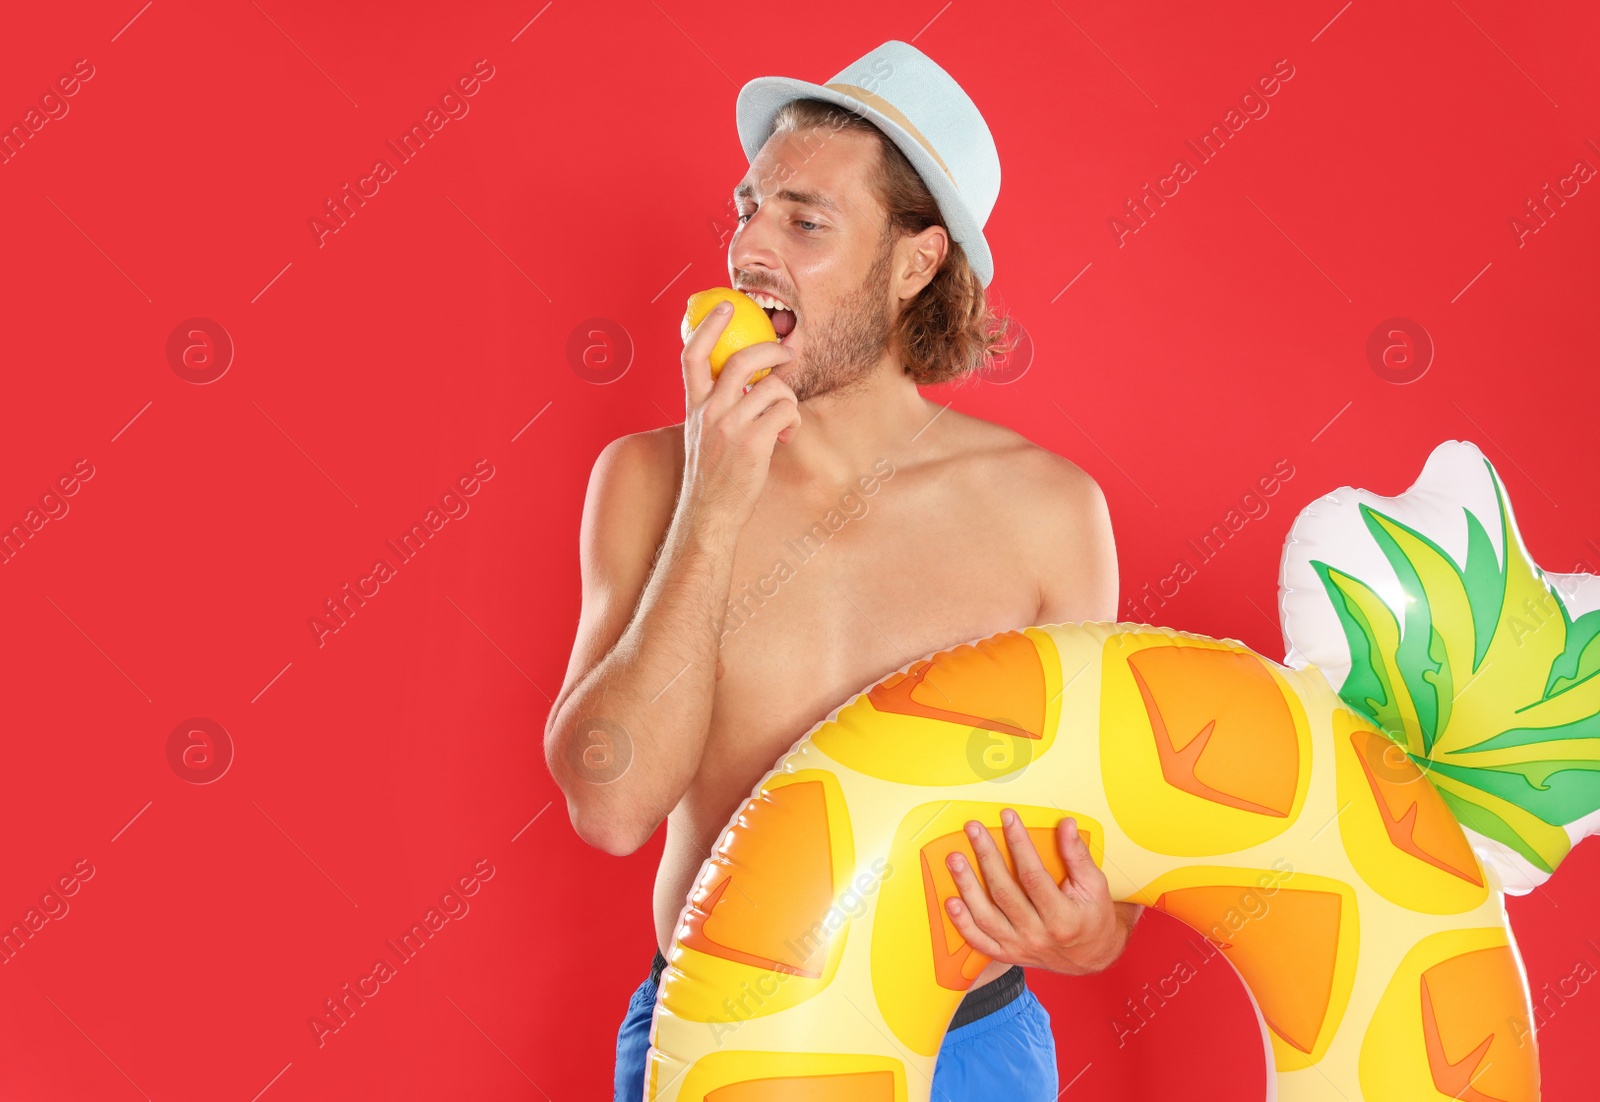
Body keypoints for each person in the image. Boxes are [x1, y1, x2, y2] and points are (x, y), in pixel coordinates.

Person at [544, 39, 1143, 1102]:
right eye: (747, 208)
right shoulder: (648, 481)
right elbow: (612, 804)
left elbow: (1102, 855)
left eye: (804, 221)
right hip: (722, 1041)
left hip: (966, 1049)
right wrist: (714, 504)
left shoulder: (1050, 514)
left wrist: (1093, 930)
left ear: (915, 263)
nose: (747, 249)